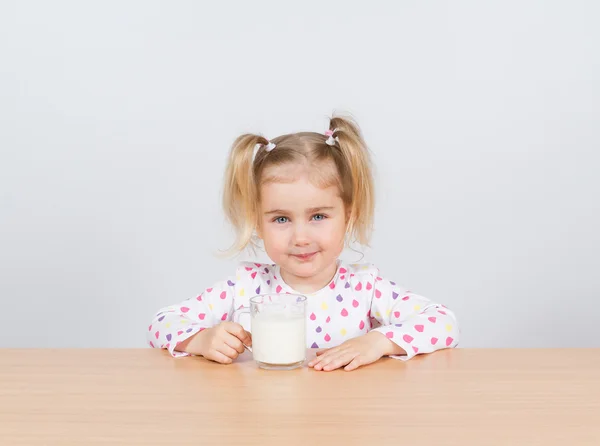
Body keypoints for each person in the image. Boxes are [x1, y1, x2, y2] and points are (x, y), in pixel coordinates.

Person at [147, 115, 460, 371]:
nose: (301, 238)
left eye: (319, 216)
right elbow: (161, 323)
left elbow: (444, 323)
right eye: (281, 219)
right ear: (258, 222)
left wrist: (377, 342)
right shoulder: (246, 287)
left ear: (348, 216)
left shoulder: (365, 288)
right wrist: (200, 340)